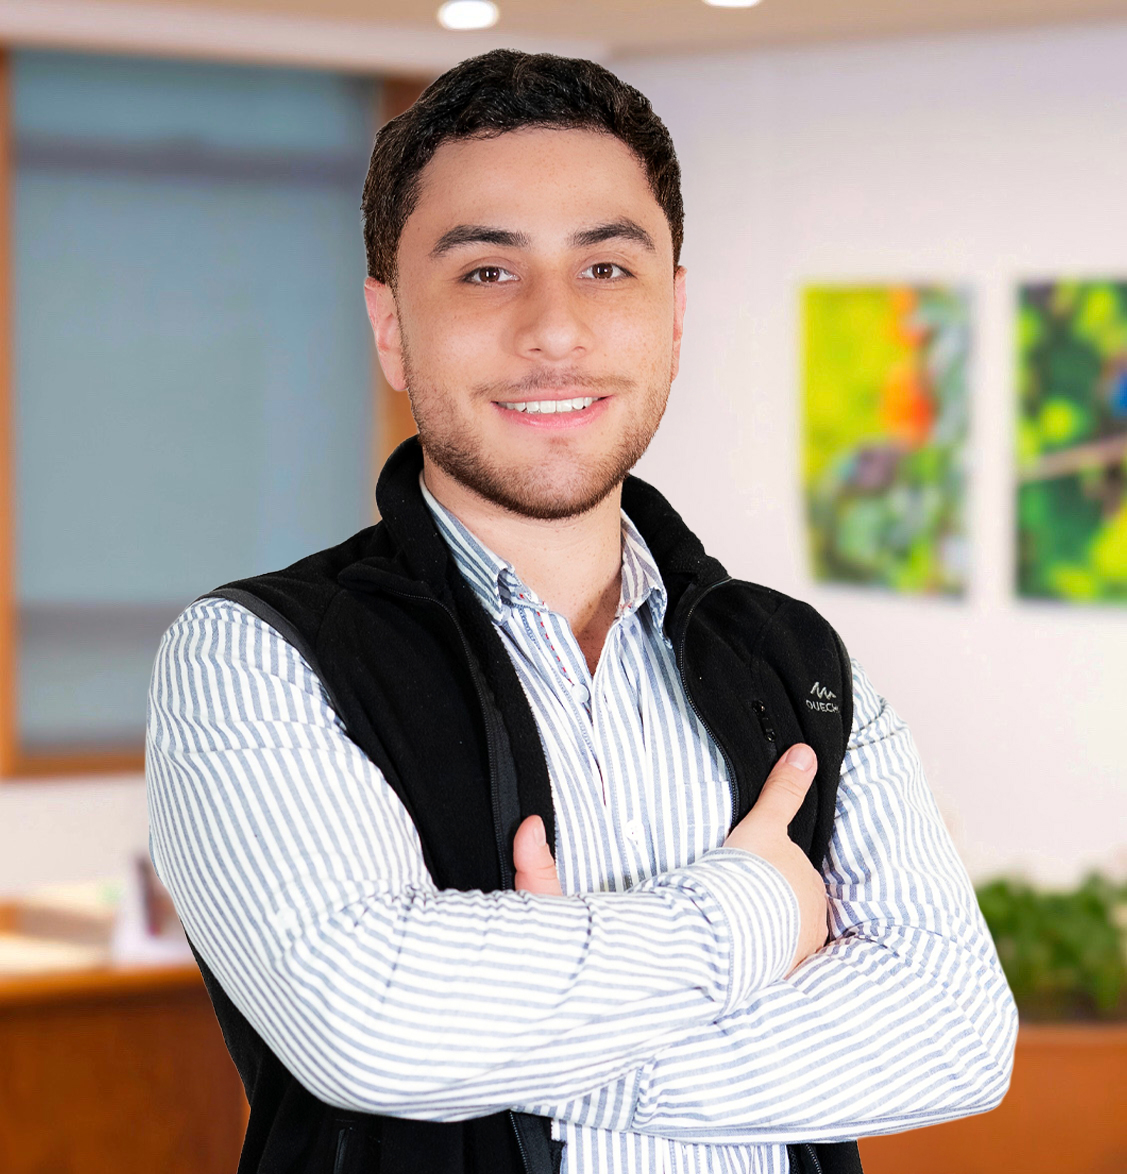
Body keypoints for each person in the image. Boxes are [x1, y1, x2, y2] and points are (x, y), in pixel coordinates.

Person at [146, 49, 1017, 1174]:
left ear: (673, 311)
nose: (554, 331)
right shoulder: (255, 655)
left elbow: (955, 1034)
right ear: (390, 327)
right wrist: (751, 909)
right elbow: (371, 1025)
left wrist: (539, 1048)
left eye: (606, 267)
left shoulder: (793, 660)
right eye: (485, 272)